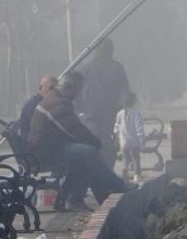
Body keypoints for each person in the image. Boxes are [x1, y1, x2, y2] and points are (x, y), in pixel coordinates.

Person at [26, 71, 136, 212]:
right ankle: (114, 186)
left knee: (84, 154)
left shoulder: (55, 98)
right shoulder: (57, 103)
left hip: (48, 149)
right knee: (87, 152)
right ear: (69, 87)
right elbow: (74, 129)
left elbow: (74, 130)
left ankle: (80, 198)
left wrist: (91, 142)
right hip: (45, 153)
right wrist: (95, 141)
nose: (78, 94)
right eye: (78, 89)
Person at [77, 38, 129, 168]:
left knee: (94, 145)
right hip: (110, 115)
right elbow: (125, 92)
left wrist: (79, 110)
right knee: (108, 146)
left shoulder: (85, 69)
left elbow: (77, 93)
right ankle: (106, 171)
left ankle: (97, 170)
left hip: (90, 116)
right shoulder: (117, 68)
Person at [113, 90, 144, 182]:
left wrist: (116, 139)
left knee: (125, 160)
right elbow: (139, 127)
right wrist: (142, 139)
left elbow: (116, 128)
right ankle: (137, 175)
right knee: (136, 158)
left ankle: (125, 175)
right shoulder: (136, 113)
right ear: (133, 102)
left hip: (124, 141)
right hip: (134, 141)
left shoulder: (119, 114)